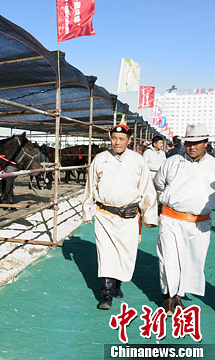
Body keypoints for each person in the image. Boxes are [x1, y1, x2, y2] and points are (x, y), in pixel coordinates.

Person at [82, 120, 158, 310]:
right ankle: (105, 295)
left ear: (129, 140)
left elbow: (147, 189)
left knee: (125, 254)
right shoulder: (100, 158)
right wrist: (87, 210)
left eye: (121, 139)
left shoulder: (138, 160)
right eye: (114, 138)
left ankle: (117, 285)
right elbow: (90, 186)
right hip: (105, 215)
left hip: (129, 217)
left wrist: (149, 216)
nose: (117, 142)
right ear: (110, 139)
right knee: (106, 254)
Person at [153, 123, 215, 315]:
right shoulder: (172, 162)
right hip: (172, 219)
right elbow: (159, 184)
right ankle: (168, 297)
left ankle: (178, 296)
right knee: (169, 258)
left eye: (197, 143)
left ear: (206, 143)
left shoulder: (213, 165)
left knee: (190, 262)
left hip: (200, 223)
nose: (192, 147)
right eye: (189, 143)